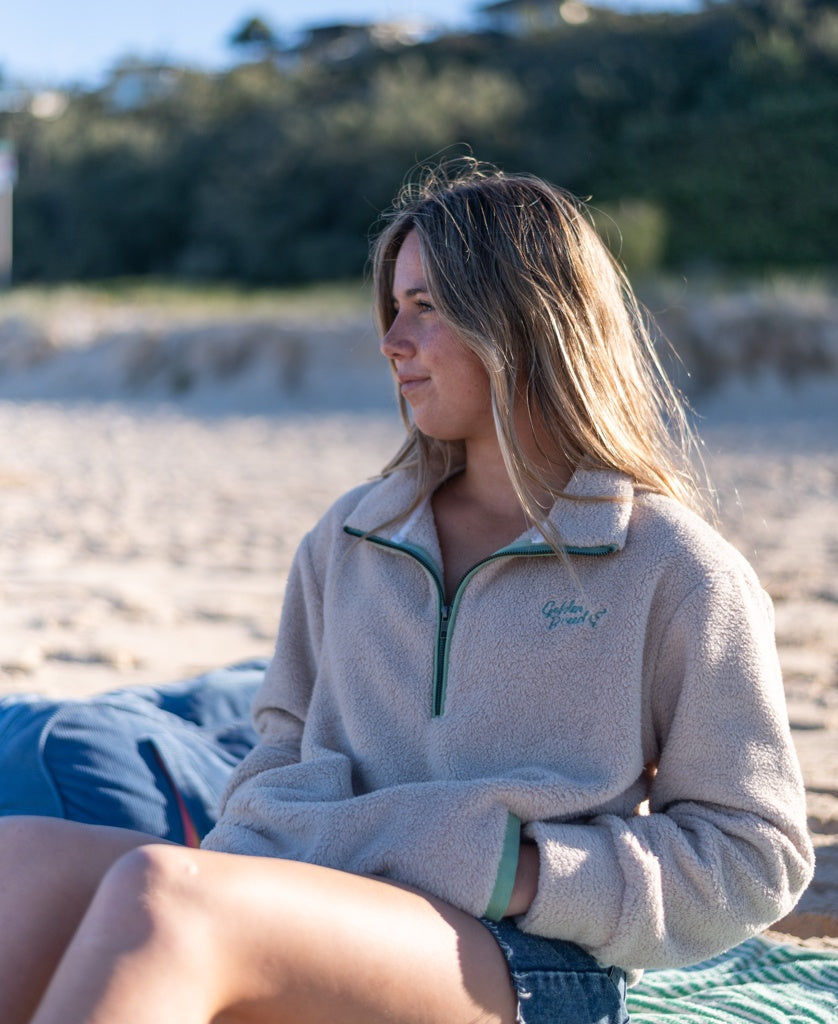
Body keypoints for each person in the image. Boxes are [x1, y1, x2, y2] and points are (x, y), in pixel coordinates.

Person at [0, 159, 813, 1024]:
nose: (393, 340)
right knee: (24, 860)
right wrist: (280, 838)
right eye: (393, 308)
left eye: (426, 308)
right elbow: (275, 753)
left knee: (170, 896)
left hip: (532, 959)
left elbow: (752, 851)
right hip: (328, 897)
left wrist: (514, 869)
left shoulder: (673, 567)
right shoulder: (351, 539)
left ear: (527, 319)